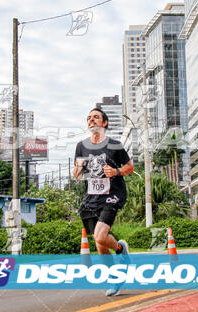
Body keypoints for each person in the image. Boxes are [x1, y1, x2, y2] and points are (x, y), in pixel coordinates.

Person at [73, 107, 134, 297]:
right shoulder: (81, 146)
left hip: (112, 195)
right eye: (89, 118)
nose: (92, 120)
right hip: (91, 199)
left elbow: (130, 167)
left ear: (104, 123)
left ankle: (120, 249)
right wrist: (79, 168)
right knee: (100, 244)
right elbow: (76, 175)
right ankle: (114, 278)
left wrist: (116, 172)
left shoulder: (114, 145)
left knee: (100, 237)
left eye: (96, 117)